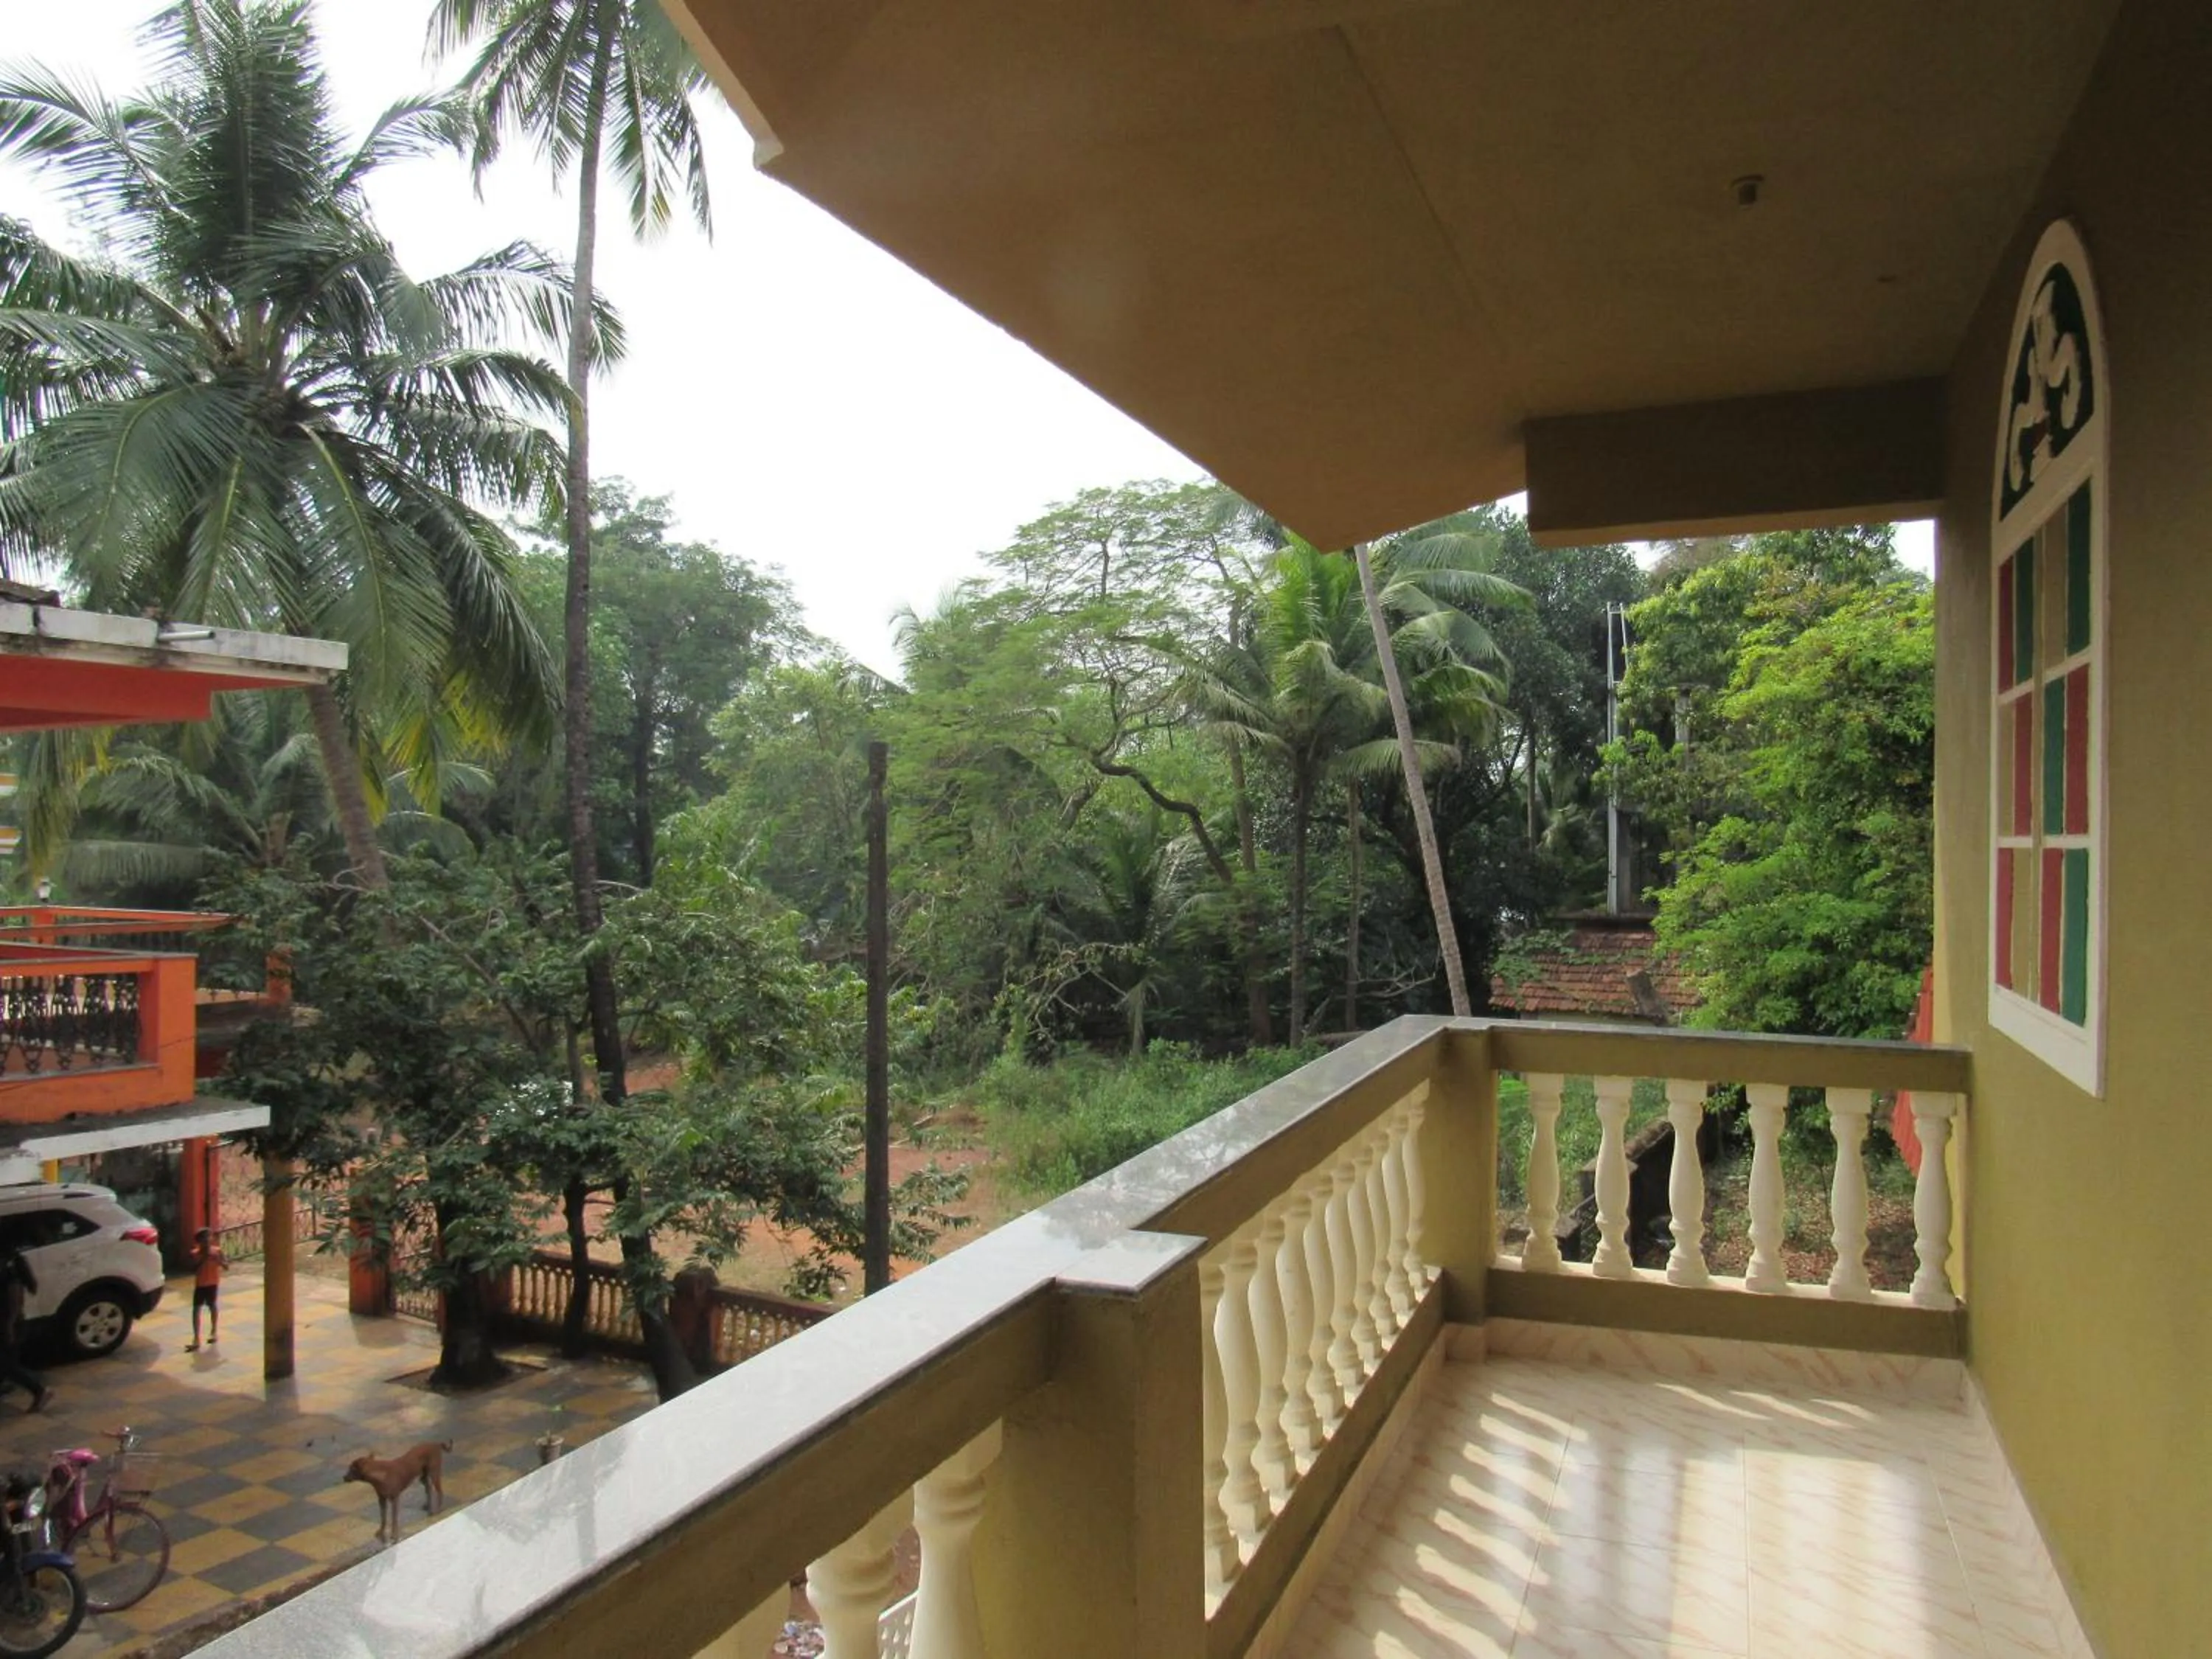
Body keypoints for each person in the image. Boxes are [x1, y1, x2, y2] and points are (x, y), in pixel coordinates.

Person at [0, 1247, 51, 1412]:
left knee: (6, 1364)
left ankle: (39, 1391)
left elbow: (15, 1302)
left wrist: (9, 1326)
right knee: (9, 1361)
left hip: (8, 1324)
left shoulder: (9, 1275)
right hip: (10, 1323)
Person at [186, 1227, 226, 1352]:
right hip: (200, 1285)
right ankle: (196, 1337)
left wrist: (218, 1261)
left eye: (209, 1238)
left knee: (212, 1306)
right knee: (196, 1309)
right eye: (203, 1240)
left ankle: (214, 1331)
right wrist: (203, 1259)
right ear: (199, 1242)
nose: (207, 1241)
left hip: (212, 1284)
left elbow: (226, 1266)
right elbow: (192, 1269)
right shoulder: (195, 1253)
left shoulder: (217, 1251)